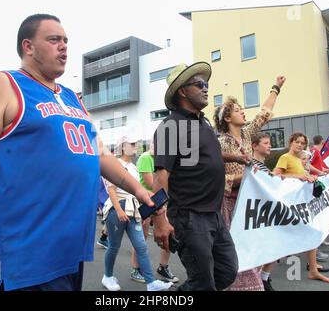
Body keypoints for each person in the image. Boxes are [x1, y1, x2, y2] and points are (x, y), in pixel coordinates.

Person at [0, 14, 161, 291]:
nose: (64, 46)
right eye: (54, 39)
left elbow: (101, 155)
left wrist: (139, 191)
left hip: (70, 251)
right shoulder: (4, 85)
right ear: (28, 47)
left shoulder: (70, 97)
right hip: (27, 252)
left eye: (66, 40)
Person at [153, 62, 238, 291]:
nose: (206, 88)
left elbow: (208, 155)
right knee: (203, 283)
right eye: (200, 84)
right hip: (189, 218)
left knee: (227, 272)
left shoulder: (204, 123)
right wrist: (160, 219)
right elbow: (161, 176)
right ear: (182, 91)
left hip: (214, 214)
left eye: (206, 83)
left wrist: (237, 158)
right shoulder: (171, 126)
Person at [214, 76, 286, 291]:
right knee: (235, 252)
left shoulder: (246, 134)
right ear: (227, 117)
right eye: (238, 110)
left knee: (253, 247)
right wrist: (239, 178)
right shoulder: (219, 143)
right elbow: (216, 178)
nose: (243, 112)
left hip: (249, 205)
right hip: (230, 207)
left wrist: (276, 88)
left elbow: (264, 113)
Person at [101, 135, 172, 291]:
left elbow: (136, 191)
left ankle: (151, 282)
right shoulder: (115, 164)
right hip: (117, 207)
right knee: (114, 246)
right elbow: (111, 189)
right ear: (122, 146)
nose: (135, 146)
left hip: (133, 208)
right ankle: (107, 276)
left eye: (136, 144)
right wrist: (119, 210)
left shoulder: (133, 167)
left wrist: (145, 210)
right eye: (132, 144)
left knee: (141, 246)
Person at [273, 132, 329, 283]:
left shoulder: (298, 160)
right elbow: (274, 176)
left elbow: (302, 175)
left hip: (300, 204)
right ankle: (262, 273)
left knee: (310, 232)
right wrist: (297, 177)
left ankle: (313, 268)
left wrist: (309, 177)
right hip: (290, 205)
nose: (300, 145)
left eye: (302, 143)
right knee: (279, 237)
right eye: (297, 142)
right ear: (291, 142)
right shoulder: (285, 157)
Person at [135, 142, 179, 283]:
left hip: (163, 200)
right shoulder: (145, 157)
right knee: (141, 237)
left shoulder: (164, 159)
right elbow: (150, 183)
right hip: (146, 201)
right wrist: (163, 174)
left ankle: (163, 267)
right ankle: (136, 268)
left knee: (168, 235)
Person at [250, 132, 276, 291]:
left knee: (272, 246)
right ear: (255, 146)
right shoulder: (251, 165)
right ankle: (260, 279)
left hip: (266, 212)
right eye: (266, 143)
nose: (269, 146)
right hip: (257, 213)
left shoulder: (264, 166)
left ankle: (263, 278)